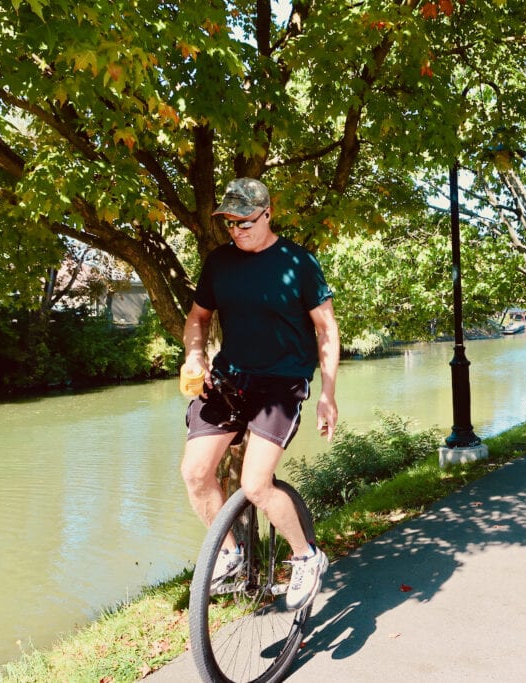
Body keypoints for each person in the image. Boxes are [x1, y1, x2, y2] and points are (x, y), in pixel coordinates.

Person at [179, 177, 340, 611]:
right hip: (230, 379)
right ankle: (229, 552)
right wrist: (196, 355)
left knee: (254, 484)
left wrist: (327, 393)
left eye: (245, 220)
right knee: (195, 473)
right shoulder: (219, 264)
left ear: (268, 213)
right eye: (229, 222)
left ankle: (306, 555)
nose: (236, 229)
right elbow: (198, 317)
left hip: (281, 383)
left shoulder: (299, 263)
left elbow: (326, 329)